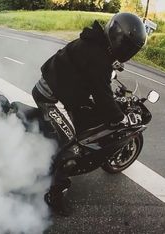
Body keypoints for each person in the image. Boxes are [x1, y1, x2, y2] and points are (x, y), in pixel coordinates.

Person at [32, 12, 147, 216]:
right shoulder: (99, 58)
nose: (129, 52)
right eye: (129, 48)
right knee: (72, 147)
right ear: (121, 41)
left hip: (60, 90)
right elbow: (103, 95)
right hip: (51, 99)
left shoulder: (96, 42)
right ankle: (55, 196)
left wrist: (111, 66)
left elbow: (91, 72)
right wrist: (121, 117)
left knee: (84, 117)